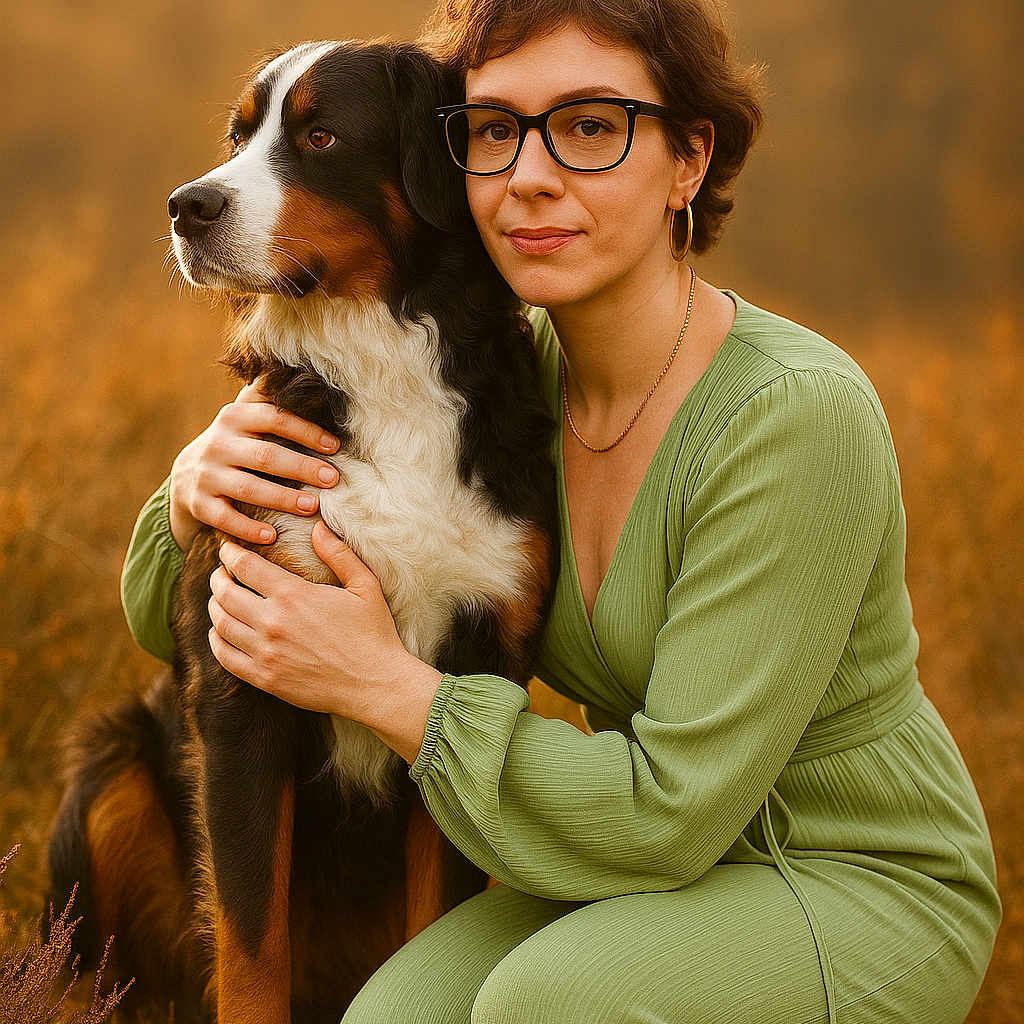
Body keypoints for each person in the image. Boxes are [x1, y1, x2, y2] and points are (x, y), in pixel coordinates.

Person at [120, 1, 1002, 1021]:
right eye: (496, 130)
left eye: (591, 126)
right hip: (643, 860)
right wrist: (193, 486)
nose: (531, 173)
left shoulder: (795, 415)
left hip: (845, 874)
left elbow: (672, 810)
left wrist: (381, 682)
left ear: (687, 159)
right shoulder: (501, 389)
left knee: (543, 1003)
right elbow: (170, 628)